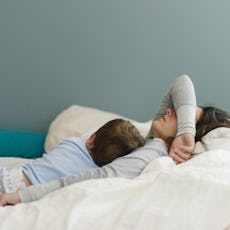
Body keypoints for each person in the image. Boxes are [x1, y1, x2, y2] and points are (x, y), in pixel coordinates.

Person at [2, 74, 230, 205]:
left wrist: (22, 195)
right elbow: (182, 82)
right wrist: (186, 130)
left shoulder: (153, 152)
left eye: (182, 116)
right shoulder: (152, 138)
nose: (170, 110)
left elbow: (96, 177)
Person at [0, 118, 145, 193]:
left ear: (92, 139)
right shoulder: (94, 175)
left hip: (13, 176)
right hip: (28, 193)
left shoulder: (72, 142)